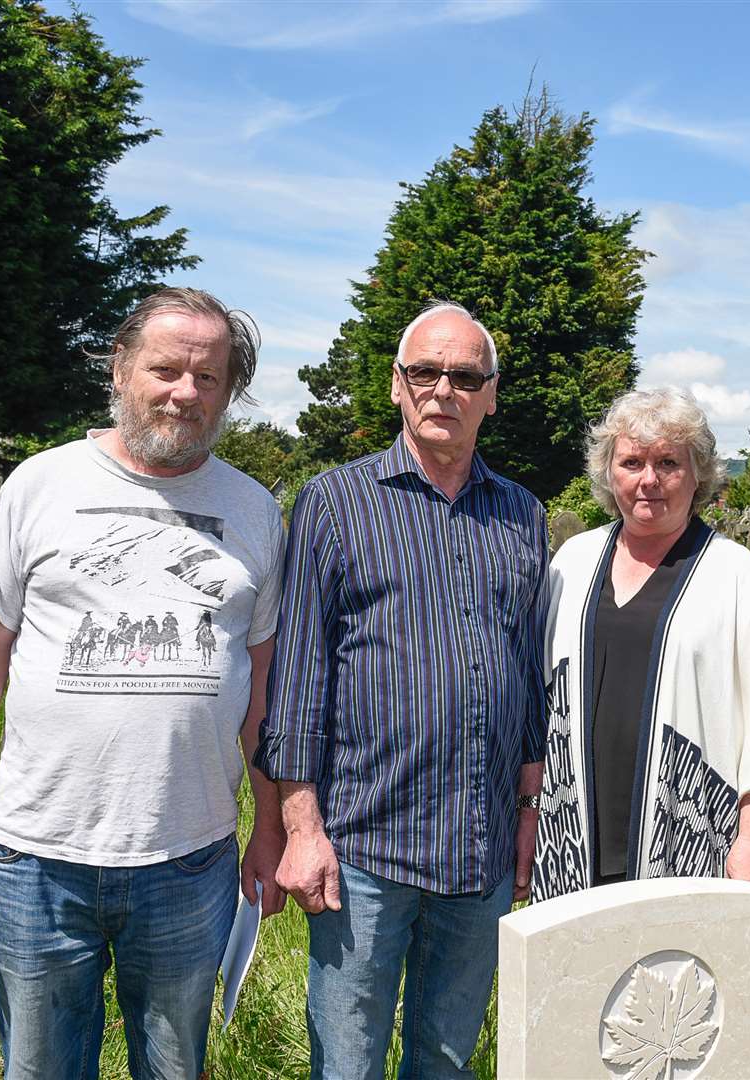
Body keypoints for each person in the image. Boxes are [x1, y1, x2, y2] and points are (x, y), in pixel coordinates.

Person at [0, 287, 288, 1080]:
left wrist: (272, 822)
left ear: (229, 391)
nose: (185, 393)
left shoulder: (255, 510)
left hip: (191, 859)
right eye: (165, 369)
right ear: (120, 369)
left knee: (174, 1066)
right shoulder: (39, 485)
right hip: (37, 860)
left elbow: (263, 687)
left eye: (209, 377)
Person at [257, 300, 547, 1079]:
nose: (442, 390)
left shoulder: (523, 513)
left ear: (490, 394)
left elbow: (527, 673)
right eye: (425, 372)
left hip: (480, 849)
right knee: (347, 1062)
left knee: (446, 1061)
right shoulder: (334, 502)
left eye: (464, 376)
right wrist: (301, 826)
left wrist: (528, 815)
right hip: (364, 848)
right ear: (396, 386)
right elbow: (299, 681)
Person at [532, 387, 750, 900]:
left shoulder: (734, 574)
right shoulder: (571, 563)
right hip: (570, 839)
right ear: (608, 471)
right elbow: (538, 703)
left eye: (668, 462)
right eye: (632, 462)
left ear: (698, 473)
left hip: (694, 841)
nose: (648, 480)